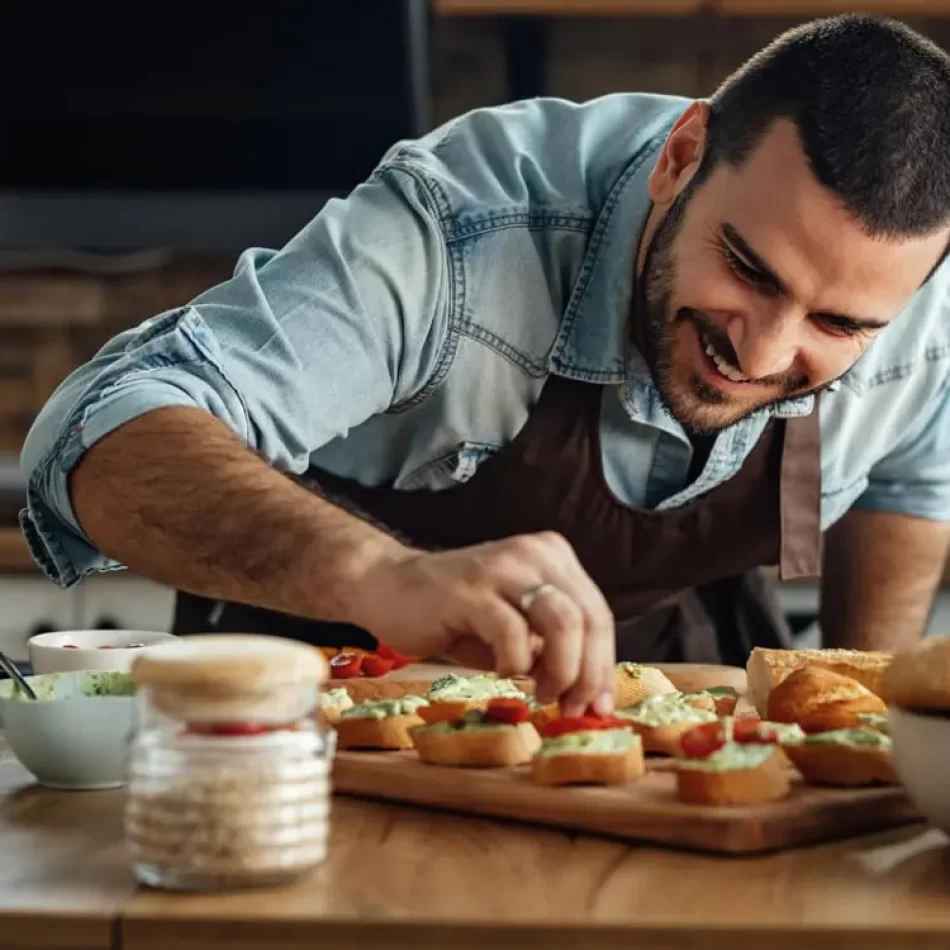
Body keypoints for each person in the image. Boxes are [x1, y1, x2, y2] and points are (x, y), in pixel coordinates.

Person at [19, 14, 950, 716]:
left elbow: (910, 488)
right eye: (747, 270)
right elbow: (100, 426)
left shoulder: (921, 301)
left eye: (837, 322)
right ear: (682, 156)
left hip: (679, 714)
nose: (763, 352)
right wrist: (380, 576)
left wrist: (861, 735)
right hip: (323, 708)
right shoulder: (464, 228)